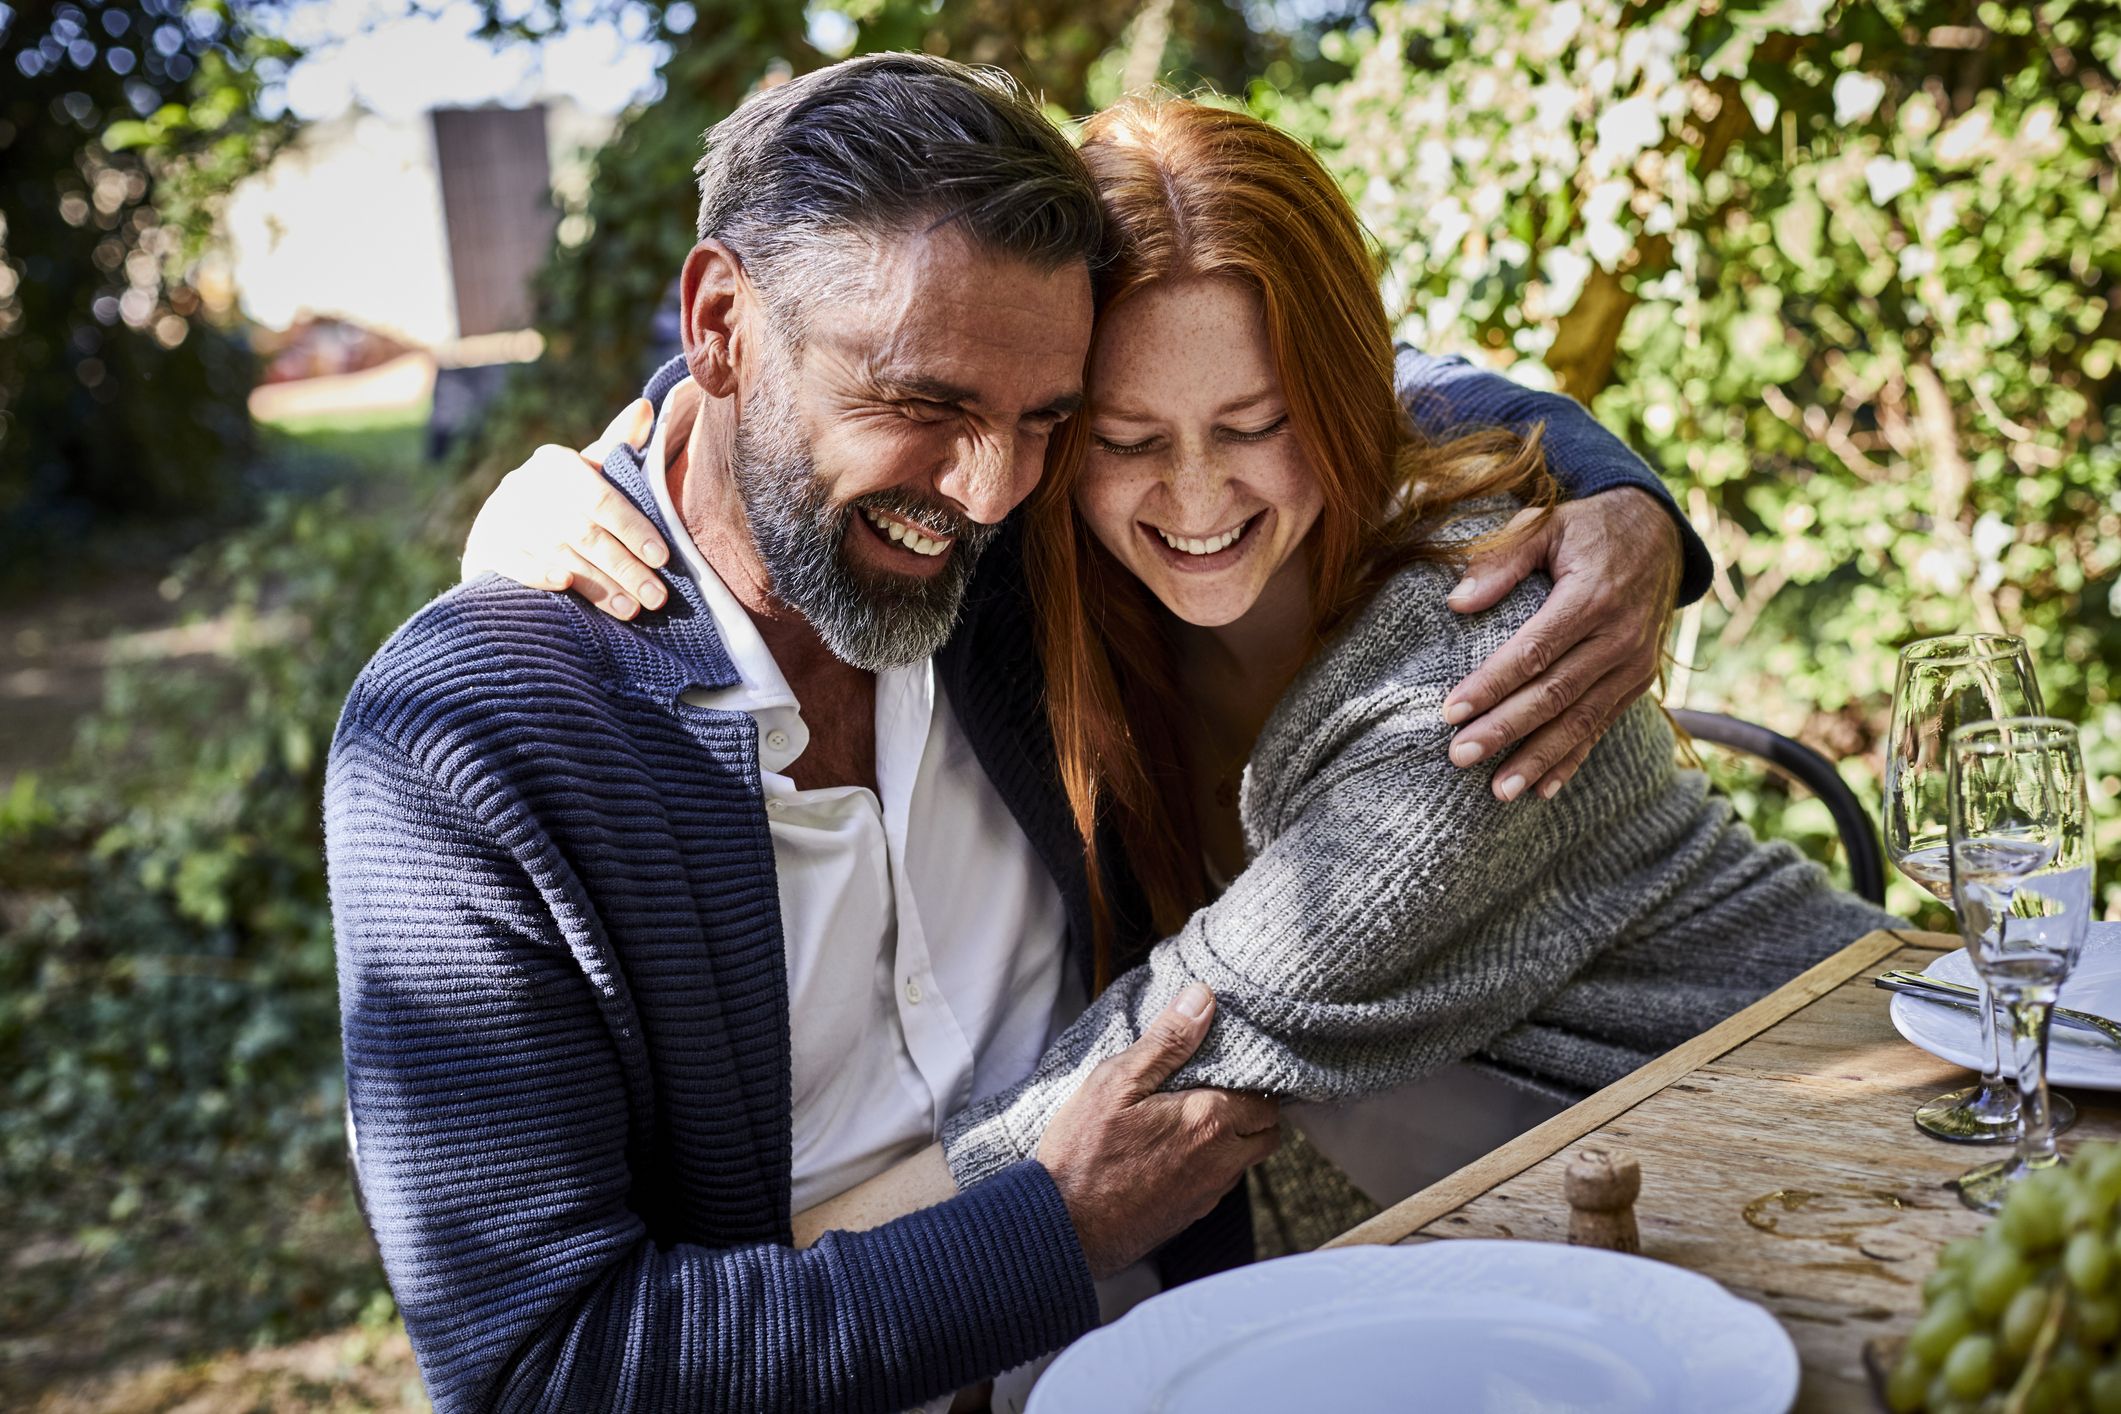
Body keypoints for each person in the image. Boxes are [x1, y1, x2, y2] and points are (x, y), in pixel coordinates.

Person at [337, 58, 1698, 1414]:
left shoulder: (1020, 550)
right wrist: (1046, 1227)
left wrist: (1617, 493)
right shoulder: (471, 749)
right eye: (923, 406)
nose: (988, 487)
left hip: (1192, 1354)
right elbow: (536, 1372)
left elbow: (1311, 371)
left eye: (1047, 418)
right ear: (718, 327)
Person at [477, 95, 1897, 1259]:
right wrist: (603, 482)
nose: (1197, 497)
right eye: (1123, 435)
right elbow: (818, 398)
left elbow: (1176, 1042)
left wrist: (771, 1300)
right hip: (1574, 1233)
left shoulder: (1471, 660)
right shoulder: (1048, 592)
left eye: (1255, 421)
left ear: (1337, 398)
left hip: (1852, 1145)